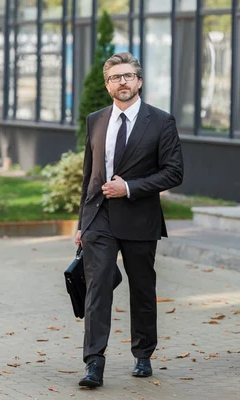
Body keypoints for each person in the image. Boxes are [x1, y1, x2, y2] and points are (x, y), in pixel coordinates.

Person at [73, 51, 184, 388]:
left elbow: (174, 172)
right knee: (97, 289)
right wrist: (81, 223)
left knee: (142, 289)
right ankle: (94, 363)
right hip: (99, 217)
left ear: (139, 82)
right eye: (115, 77)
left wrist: (130, 188)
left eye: (127, 76)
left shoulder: (161, 121)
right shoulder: (95, 120)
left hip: (140, 218)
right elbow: (89, 176)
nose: (122, 82)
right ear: (107, 86)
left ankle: (142, 354)